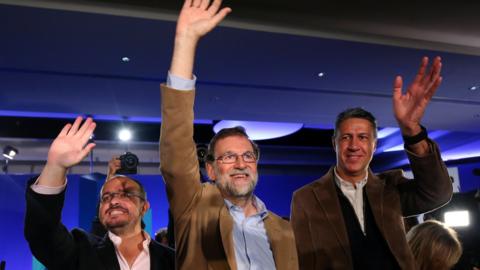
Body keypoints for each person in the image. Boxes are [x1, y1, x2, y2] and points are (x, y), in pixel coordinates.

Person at [159, 0, 298, 269]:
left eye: (247, 155)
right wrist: (186, 41)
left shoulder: (283, 230)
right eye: (229, 157)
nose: (240, 163)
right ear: (210, 170)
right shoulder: (195, 209)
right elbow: (175, 148)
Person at [290, 56, 453, 269]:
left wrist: (412, 130)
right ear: (334, 144)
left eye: (363, 137)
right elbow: (303, 260)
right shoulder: (306, 198)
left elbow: (438, 194)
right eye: (346, 137)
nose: (354, 145)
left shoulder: (391, 188)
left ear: (374, 145)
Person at [24, 117, 175, 270]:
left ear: (144, 207)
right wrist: (55, 167)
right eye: (106, 197)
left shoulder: (175, 260)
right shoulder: (80, 251)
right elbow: (43, 234)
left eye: (125, 194)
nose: (113, 200)